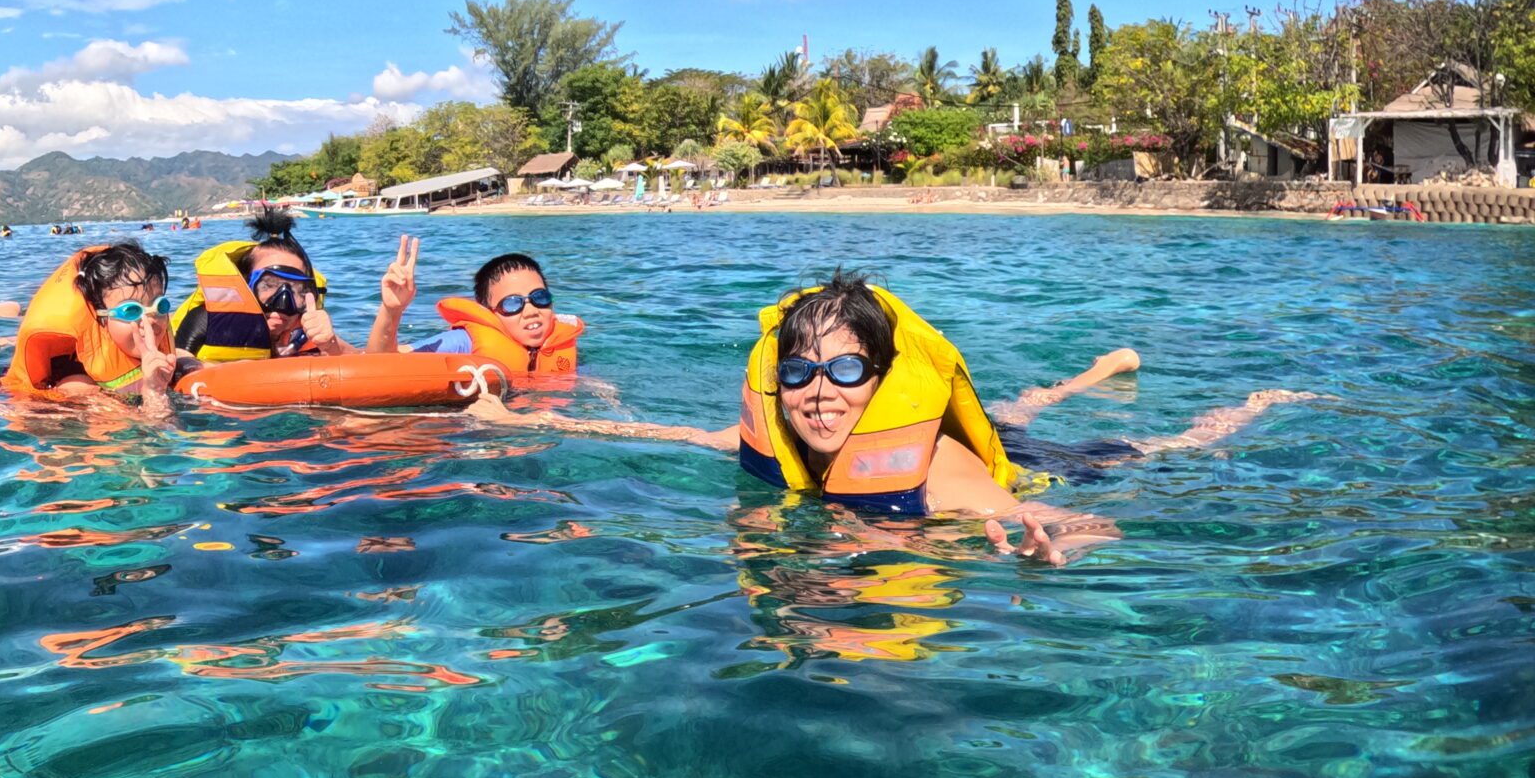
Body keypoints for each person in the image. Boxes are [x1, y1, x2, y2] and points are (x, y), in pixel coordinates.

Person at [478, 269, 1307, 563]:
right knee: (1018, 404)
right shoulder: (776, 442)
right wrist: (519, 426)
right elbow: (660, 432)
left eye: (845, 370)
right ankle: (1095, 369)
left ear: (880, 380)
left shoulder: (937, 469)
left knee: (1159, 448)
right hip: (967, 444)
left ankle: (1250, 406)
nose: (818, 392)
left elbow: (1073, 518)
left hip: (1037, 462)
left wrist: (1055, 544)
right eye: (799, 371)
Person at [172, 206, 415, 362]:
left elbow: (372, 366)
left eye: (297, 290)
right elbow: (178, 364)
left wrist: (391, 310)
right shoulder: (208, 320)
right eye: (268, 285)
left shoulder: (305, 333)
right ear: (245, 284)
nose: (283, 302)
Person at [0, 240, 181, 417]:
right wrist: (154, 392)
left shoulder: (167, 356)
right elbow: (147, 439)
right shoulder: (78, 386)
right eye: (131, 310)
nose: (149, 321)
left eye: (159, 306)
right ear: (100, 319)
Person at [380, 246, 583, 374]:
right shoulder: (464, 342)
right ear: (489, 313)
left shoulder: (560, 343)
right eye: (512, 303)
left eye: (540, 297)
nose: (531, 311)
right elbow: (383, 363)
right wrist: (391, 311)